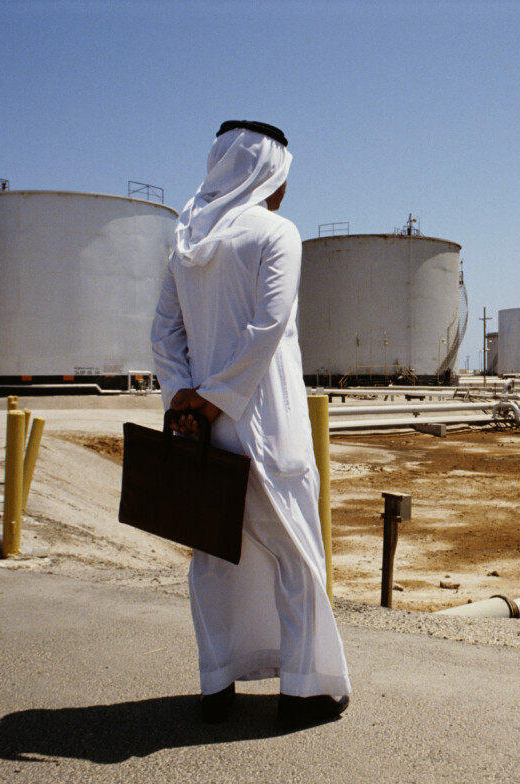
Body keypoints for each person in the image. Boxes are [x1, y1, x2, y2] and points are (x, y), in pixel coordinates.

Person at [150, 120, 351, 728]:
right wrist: (215, 400)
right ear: (268, 175)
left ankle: (217, 684)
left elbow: (165, 333)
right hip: (266, 421)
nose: (285, 189)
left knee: (214, 555)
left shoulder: (186, 241)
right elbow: (268, 329)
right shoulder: (276, 233)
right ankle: (303, 689)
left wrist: (185, 398)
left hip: (202, 429)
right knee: (293, 551)